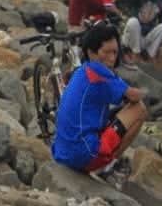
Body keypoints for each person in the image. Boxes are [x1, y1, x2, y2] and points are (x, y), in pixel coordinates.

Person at [52, 23, 147, 173]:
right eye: (107, 52)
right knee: (139, 109)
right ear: (91, 52)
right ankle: (108, 167)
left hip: (62, 153)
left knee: (113, 111)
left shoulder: (83, 70)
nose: (112, 58)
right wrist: (149, 92)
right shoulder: (99, 72)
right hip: (84, 155)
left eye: (115, 52)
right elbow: (134, 96)